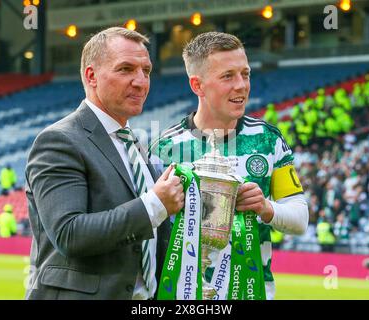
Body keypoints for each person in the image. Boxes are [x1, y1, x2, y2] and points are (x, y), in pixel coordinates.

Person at [25, 27, 184, 300]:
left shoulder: (134, 145)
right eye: (125, 69)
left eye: (146, 71)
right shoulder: (59, 141)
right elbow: (70, 234)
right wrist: (156, 204)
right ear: (91, 76)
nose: (140, 81)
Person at [150, 32, 308, 300]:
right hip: (185, 295)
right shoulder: (165, 148)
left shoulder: (268, 140)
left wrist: (266, 208)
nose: (241, 86)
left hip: (252, 292)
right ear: (197, 85)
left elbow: (300, 219)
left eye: (245, 74)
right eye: (227, 76)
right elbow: (152, 232)